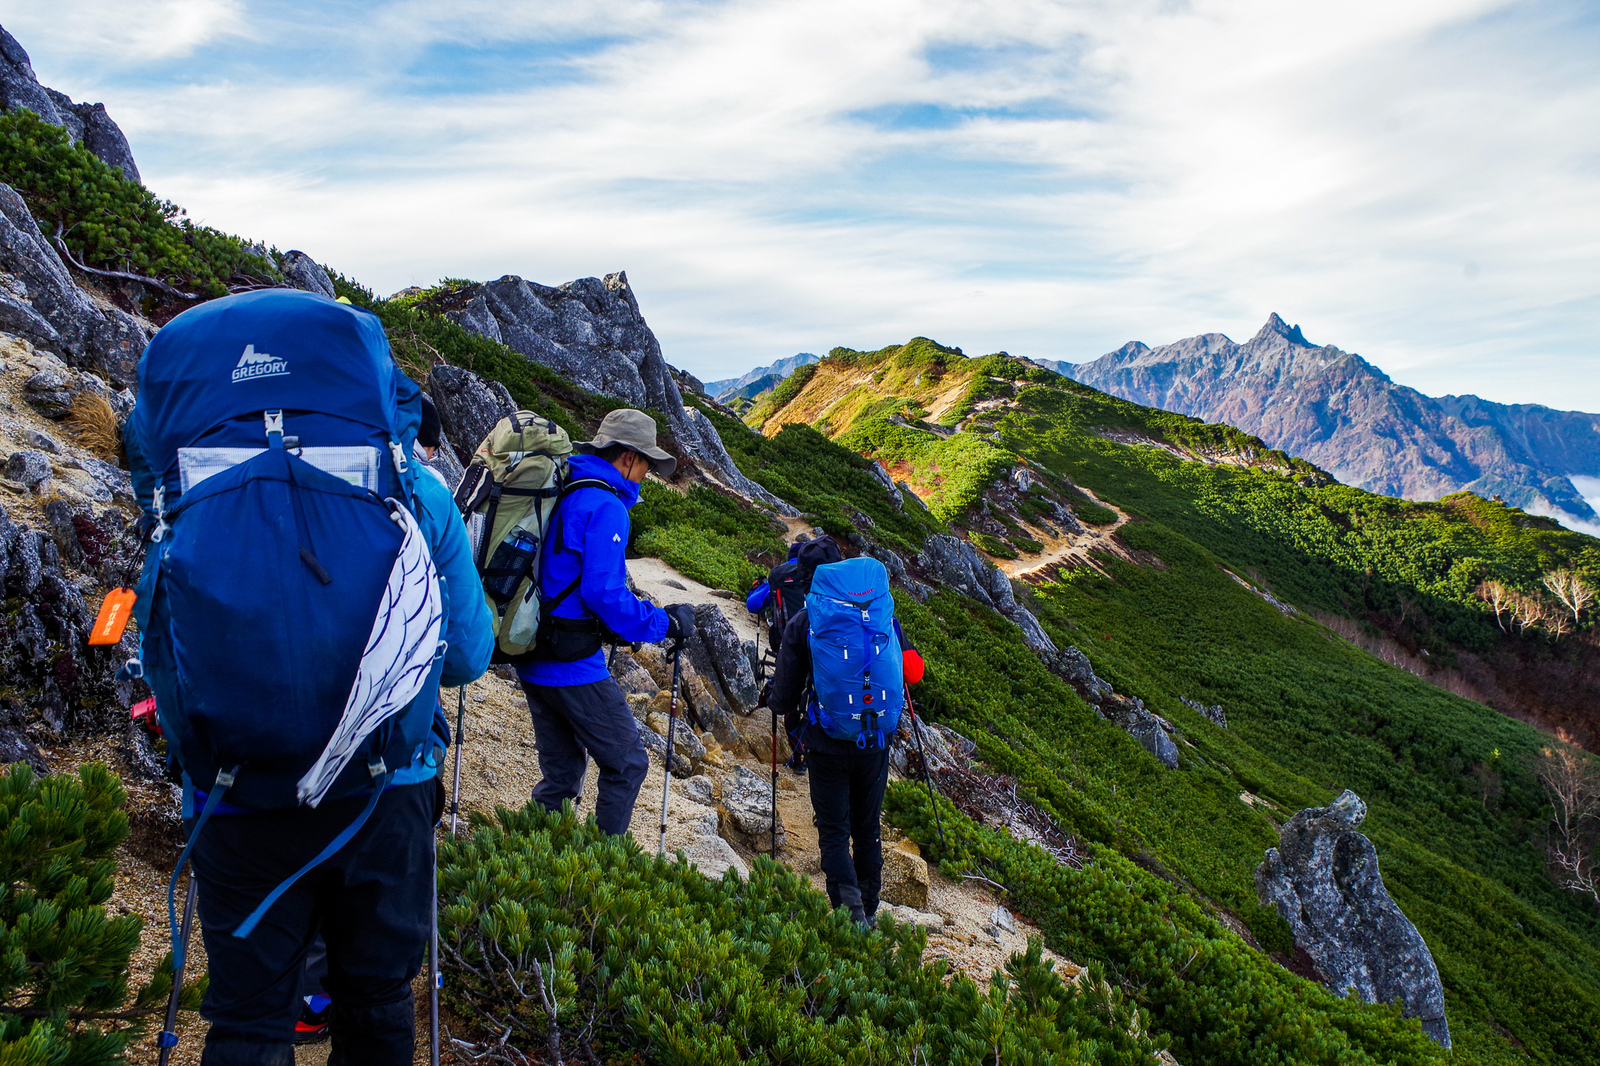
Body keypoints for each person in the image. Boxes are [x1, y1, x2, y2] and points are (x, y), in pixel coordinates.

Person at [127, 290, 493, 1065]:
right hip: (385, 790)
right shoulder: (416, 493)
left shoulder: (184, 490)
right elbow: (465, 655)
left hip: (234, 792)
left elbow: (166, 639)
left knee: (250, 1021)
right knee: (376, 1003)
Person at [518, 408, 697, 836]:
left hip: (529, 646)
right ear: (629, 457)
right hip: (571, 660)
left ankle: (533, 866)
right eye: (648, 465)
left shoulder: (565, 486)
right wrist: (664, 624)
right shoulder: (607, 505)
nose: (646, 474)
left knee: (562, 774)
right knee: (628, 762)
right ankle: (600, 871)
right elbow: (604, 594)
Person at [768, 546, 924, 929]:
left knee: (834, 830)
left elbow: (783, 699)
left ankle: (849, 914)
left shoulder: (803, 622)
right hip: (874, 743)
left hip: (826, 744)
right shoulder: (880, 614)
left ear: (805, 579)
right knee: (867, 828)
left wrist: (771, 697)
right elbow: (914, 672)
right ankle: (870, 909)